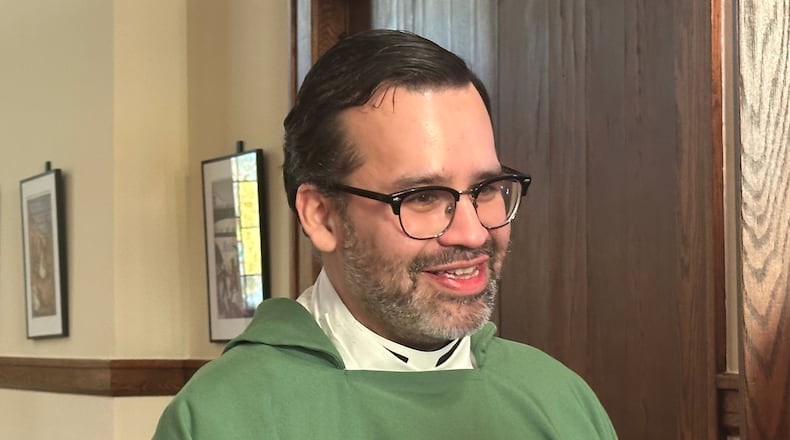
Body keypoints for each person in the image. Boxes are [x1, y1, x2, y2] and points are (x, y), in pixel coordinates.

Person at [153, 29, 617, 439]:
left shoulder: (559, 399)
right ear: (321, 216)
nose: (473, 233)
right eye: (421, 197)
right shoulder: (224, 418)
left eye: (486, 188)